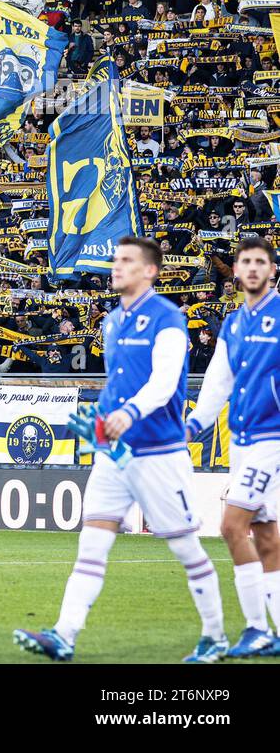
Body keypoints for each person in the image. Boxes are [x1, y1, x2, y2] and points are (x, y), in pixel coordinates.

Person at [14, 236, 227, 663]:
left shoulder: (167, 317)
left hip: (159, 451)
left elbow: (166, 381)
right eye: (116, 260)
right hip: (114, 452)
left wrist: (128, 414)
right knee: (92, 544)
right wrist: (101, 426)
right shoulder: (112, 321)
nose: (117, 266)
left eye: (127, 260)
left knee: (186, 547)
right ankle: (64, 634)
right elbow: (118, 386)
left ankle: (216, 637)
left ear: (150, 271)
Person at [184, 236, 280, 657]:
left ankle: (257, 628)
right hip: (242, 441)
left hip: (272, 439)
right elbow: (218, 382)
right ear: (236, 271)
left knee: (230, 526)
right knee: (266, 536)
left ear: (273, 269)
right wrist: (193, 426)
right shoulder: (236, 323)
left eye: (262, 261)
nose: (254, 268)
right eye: (246, 262)